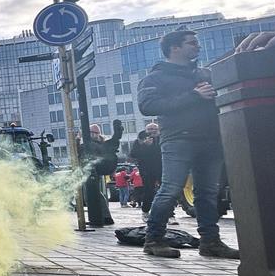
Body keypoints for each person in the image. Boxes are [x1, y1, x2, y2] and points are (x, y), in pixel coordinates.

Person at [136, 30, 239, 259]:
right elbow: (148, 105)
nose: (197, 47)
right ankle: (153, 239)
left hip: (211, 139)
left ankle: (210, 242)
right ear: (175, 48)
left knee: (208, 192)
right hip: (179, 138)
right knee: (170, 189)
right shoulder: (156, 77)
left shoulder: (205, 73)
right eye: (192, 43)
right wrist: (193, 95)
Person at [81, 121, 122, 226]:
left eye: (95, 132)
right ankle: (103, 217)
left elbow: (115, 140)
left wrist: (118, 129)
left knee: (93, 194)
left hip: (94, 171)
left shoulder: (100, 144)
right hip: (92, 170)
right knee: (93, 194)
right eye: (91, 132)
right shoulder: (95, 144)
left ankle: (103, 217)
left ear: (98, 134)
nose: (93, 134)